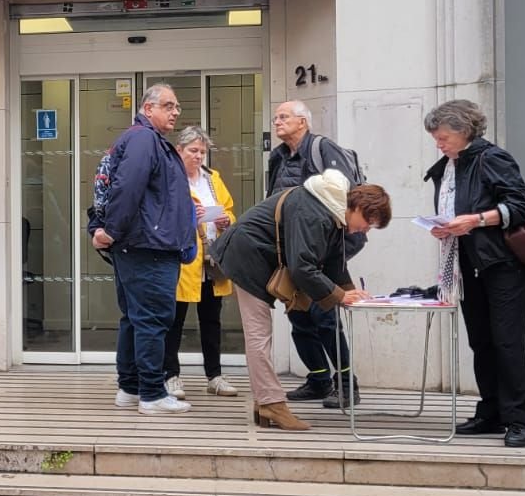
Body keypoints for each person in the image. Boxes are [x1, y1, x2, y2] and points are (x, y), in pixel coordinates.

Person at [211, 170, 392, 431]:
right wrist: (340, 295)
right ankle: (271, 403)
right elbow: (303, 267)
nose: (366, 229)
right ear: (357, 206)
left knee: (260, 335)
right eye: (367, 221)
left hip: (253, 256)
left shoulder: (330, 208)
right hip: (246, 259)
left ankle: (264, 403)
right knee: (259, 335)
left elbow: (332, 259)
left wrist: (349, 292)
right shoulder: (316, 212)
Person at [423, 99, 525, 449]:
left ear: (464, 130)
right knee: (481, 341)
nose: (438, 144)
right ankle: (491, 412)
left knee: (507, 341)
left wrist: (474, 220)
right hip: (467, 263)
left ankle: (518, 419)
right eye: (435, 138)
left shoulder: (493, 158)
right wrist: (445, 227)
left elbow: (519, 206)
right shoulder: (448, 165)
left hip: (503, 263)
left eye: (443, 137)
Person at [91, 84, 197, 414]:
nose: (176, 112)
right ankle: (151, 393)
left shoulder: (145, 139)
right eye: (168, 105)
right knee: (152, 319)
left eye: (177, 106)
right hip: (147, 248)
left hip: (142, 246)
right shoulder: (143, 139)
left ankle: (130, 388)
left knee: (136, 319)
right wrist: (110, 230)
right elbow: (128, 186)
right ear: (147, 108)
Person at [265, 99, 363, 409]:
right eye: (276, 117)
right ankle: (319, 379)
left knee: (325, 317)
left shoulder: (323, 149)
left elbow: (349, 199)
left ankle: (348, 386)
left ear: (303, 122)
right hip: (293, 252)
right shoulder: (278, 157)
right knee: (298, 316)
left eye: (284, 117)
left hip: (323, 251)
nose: (277, 122)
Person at [164, 127, 237, 398]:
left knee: (211, 320)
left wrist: (225, 219)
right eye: (193, 151)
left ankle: (214, 376)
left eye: (202, 152)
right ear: (179, 151)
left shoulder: (212, 179)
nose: (198, 157)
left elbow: (229, 209)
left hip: (211, 258)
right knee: (175, 320)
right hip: (182, 260)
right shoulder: (170, 179)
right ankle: (170, 375)